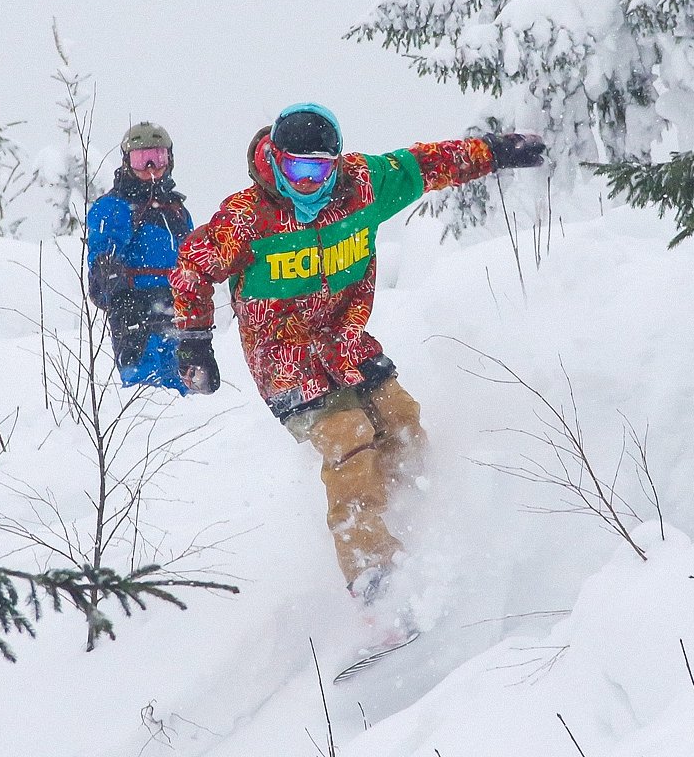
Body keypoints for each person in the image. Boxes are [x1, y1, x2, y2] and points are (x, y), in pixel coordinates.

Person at [169, 102, 545, 631]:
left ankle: (419, 526)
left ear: (336, 164)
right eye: (295, 168)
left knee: (402, 423)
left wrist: (495, 152)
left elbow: (426, 164)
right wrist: (193, 341)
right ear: (275, 161)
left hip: (346, 343)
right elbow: (190, 267)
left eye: (318, 169)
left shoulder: (362, 188)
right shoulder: (246, 217)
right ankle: (374, 579)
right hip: (284, 355)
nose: (306, 182)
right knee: (349, 438)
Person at [87, 121, 198, 393]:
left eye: (157, 158)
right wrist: (111, 280)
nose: (151, 168)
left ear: (169, 159)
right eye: (141, 159)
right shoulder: (115, 206)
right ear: (127, 162)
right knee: (146, 392)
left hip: (177, 311)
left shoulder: (177, 211)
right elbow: (101, 259)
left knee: (185, 391)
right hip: (136, 312)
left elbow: (192, 258)